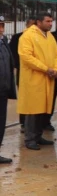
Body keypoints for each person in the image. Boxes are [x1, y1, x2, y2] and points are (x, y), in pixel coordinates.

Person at [18, 13, 57, 151]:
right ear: (38, 22)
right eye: (47, 21)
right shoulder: (27, 36)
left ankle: (38, 136)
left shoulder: (49, 36)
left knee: (42, 110)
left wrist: (56, 69)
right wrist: (46, 69)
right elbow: (27, 57)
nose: (50, 24)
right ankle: (30, 139)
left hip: (47, 78)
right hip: (34, 79)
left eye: (51, 21)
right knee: (33, 111)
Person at [9, 17, 35, 131]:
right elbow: (12, 54)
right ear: (27, 25)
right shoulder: (18, 37)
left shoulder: (40, 38)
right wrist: (19, 65)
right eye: (31, 24)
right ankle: (24, 123)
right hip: (23, 72)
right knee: (24, 98)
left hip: (37, 73)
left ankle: (35, 124)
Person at [0, 16, 17, 164]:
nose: (1, 29)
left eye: (2, 25)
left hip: (3, 90)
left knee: (1, 123)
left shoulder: (4, 41)